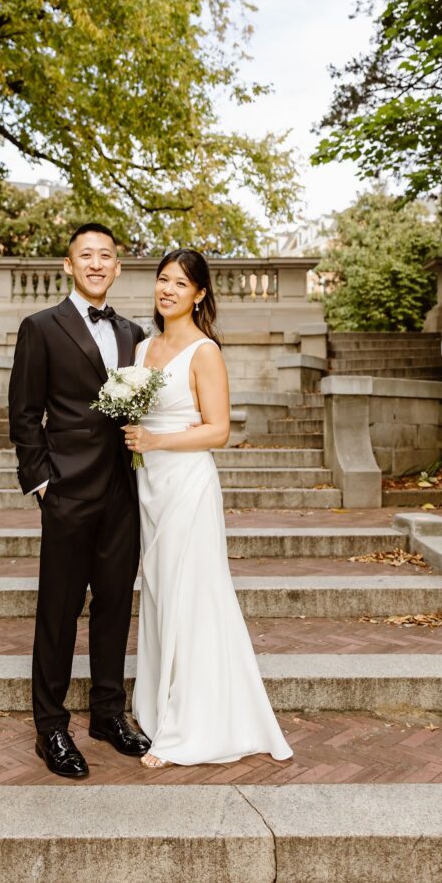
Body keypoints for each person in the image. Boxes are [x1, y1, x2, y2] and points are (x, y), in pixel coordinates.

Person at [123, 248, 293, 767]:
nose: (168, 289)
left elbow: (218, 430)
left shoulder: (204, 352)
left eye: (180, 283)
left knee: (190, 596)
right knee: (157, 596)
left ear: (199, 294)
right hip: (147, 487)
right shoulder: (142, 346)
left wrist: (155, 442)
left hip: (188, 487)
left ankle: (188, 728)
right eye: (162, 279)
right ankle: (157, 709)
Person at [8, 223, 150, 779]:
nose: (96, 263)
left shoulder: (135, 332)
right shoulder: (40, 327)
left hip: (123, 489)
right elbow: (24, 412)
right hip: (66, 489)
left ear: (117, 268)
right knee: (59, 610)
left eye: (106, 256)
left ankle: (108, 715)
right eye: (85, 255)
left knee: (115, 604)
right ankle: (51, 728)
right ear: (69, 265)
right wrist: (40, 481)